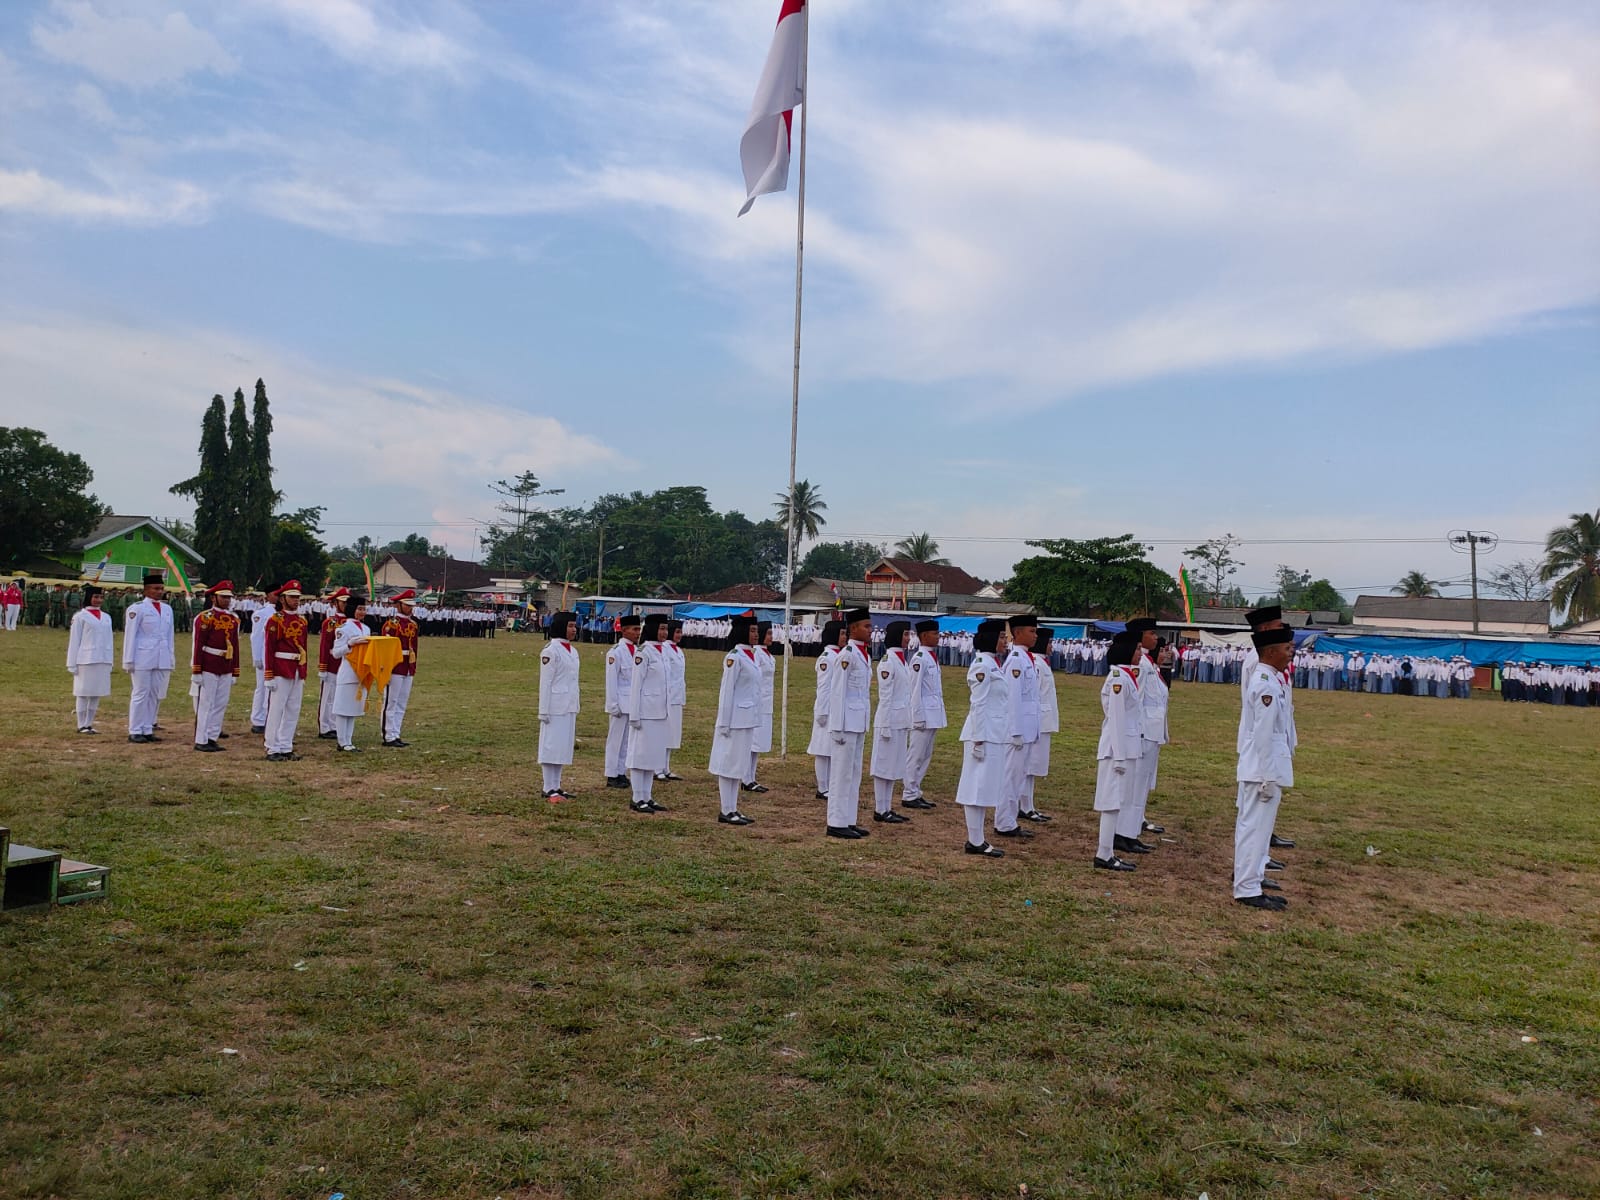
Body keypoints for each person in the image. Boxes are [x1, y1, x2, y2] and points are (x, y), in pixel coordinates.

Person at [1235, 628, 1295, 910]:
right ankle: (1246, 887)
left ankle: (1252, 882)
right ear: (1270, 651)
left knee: (1259, 830)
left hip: (1265, 768)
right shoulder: (1265, 684)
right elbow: (1262, 735)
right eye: (1286, 648)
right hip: (1262, 770)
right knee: (1253, 829)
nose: (1290, 652)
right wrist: (1267, 777)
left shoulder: (1270, 680)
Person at [955, 619, 1009, 857]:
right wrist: (977, 739)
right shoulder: (982, 665)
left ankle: (978, 839)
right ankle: (974, 840)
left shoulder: (992, 664)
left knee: (984, 787)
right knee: (975, 786)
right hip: (982, 733)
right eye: (1001, 637)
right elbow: (977, 703)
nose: (1005, 641)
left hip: (992, 732)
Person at [1092, 633, 1143, 872]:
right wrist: (1120, 755)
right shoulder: (1118, 679)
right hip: (1116, 749)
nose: (1141, 653)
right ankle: (1104, 853)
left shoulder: (1126, 676)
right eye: (1138, 648)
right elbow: (1116, 719)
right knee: (1111, 801)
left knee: (1117, 801)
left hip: (1125, 746)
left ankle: (1107, 852)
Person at [1116, 617, 1167, 853]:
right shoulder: (1141, 665)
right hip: (1144, 731)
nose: (1156, 638)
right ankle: (1124, 833)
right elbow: (1136, 702)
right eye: (1151, 633)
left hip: (1152, 731)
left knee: (1142, 786)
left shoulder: (1148, 662)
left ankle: (1132, 830)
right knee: (1135, 786)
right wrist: (1138, 732)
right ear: (1140, 636)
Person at [825, 608, 874, 839]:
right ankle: (835, 821)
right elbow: (837, 693)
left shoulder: (863, 655)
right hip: (845, 724)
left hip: (858, 721)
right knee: (841, 774)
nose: (870, 630)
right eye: (866, 626)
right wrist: (837, 727)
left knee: (854, 774)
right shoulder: (846, 656)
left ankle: (849, 819)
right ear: (853, 628)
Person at [708, 615, 761, 827]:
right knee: (728, 764)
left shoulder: (751, 656)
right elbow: (726, 692)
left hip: (747, 719)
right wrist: (723, 722)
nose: (756, 635)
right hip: (734, 719)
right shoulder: (735, 657)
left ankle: (733, 808)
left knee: (738, 765)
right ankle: (726, 809)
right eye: (753, 631)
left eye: (757, 631)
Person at [995, 614, 1041, 841]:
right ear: (1018, 632)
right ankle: (1004, 822)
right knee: (1011, 776)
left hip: (1028, 727)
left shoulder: (1026, 658)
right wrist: (1015, 731)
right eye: (1031, 631)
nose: (1035, 635)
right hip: (1018, 729)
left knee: (1019, 776)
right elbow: (1013, 698)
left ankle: (1009, 819)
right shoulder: (1015, 659)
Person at [624, 614, 673, 814]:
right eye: (661, 628)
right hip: (644, 711)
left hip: (659, 711)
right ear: (652, 629)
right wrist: (634, 714)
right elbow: (636, 685)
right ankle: (637, 797)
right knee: (640, 755)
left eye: (665, 629)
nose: (664, 633)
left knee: (653, 755)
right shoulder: (643, 652)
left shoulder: (663, 651)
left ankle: (648, 795)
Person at [868, 620, 914, 825]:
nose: (908, 638)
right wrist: (885, 724)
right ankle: (880, 808)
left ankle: (887, 807)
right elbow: (885, 696)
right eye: (905, 634)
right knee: (883, 765)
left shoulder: (902, 660)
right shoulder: (888, 661)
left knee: (894, 766)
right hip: (889, 720)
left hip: (900, 719)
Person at [122, 571, 175, 743]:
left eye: (161, 588)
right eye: (155, 588)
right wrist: (128, 660)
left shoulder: (167, 609)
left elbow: (169, 636)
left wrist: (171, 658)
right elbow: (130, 636)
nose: (159, 592)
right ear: (146, 590)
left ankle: (147, 728)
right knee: (140, 692)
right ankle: (135, 729)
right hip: (142, 656)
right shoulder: (137, 609)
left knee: (154, 694)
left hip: (161, 656)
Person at [263, 582, 311, 761]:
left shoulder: (302, 621)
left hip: (297, 668)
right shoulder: (275, 620)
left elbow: (304, 647)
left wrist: (303, 671)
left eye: (298, 597)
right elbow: (269, 648)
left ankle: (285, 745)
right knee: (276, 708)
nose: (296, 600)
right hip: (281, 667)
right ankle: (272, 746)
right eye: (292, 597)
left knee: (293, 709)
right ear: (282, 598)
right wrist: (269, 674)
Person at [190, 581, 240, 752]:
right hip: (209, 663)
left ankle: (212, 736)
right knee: (206, 703)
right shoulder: (205, 618)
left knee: (221, 702)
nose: (227, 600)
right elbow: (198, 645)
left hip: (225, 664)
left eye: (229, 597)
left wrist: (235, 670)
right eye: (223, 597)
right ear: (213, 597)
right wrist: (196, 669)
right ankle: (201, 739)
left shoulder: (233, 619)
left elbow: (235, 645)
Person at [537, 611, 581, 800]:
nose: (574, 629)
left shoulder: (572, 650)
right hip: (554, 704)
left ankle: (557, 785)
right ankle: (548, 787)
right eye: (570, 626)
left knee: (562, 746)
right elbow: (545, 682)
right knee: (551, 745)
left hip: (569, 703)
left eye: (574, 626)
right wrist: (543, 710)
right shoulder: (550, 650)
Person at [902, 619, 944, 811]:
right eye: (935, 634)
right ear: (924, 636)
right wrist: (916, 716)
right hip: (923, 714)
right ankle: (909, 792)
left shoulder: (931, 657)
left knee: (926, 754)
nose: (938, 636)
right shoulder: (919, 658)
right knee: (915, 754)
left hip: (933, 712)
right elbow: (914, 690)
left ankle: (916, 790)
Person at [1020, 624, 1057, 824]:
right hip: (1037, 719)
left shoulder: (1042, 662)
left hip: (1044, 718)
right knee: (1030, 766)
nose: (1051, 646)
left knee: (1034, 766)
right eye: (1049, 642)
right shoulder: (1036, 663)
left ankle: (1029, 805)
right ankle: (1024, 806)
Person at [806, 619, 845, 801]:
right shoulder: (827, 657)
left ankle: (830, 784)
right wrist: (821, 712)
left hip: (837, 708)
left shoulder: (839, 655)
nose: (845, 637)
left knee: (832, 749)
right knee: (822, 749)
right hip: (826, 709)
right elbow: (824, 687)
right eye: (842, 634)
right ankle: (822, 787)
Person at [67, 583, 114, 733]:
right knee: (83, 692)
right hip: (85, 659)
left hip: (102, 658)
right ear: (88, 598)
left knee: (96, 693)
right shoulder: (80, 616)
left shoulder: (107, 617)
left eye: (101, 597)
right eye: (95, 597)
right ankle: (81, 725)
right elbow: (75, 640)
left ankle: (89, 723)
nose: (98, 600)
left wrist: (110, 660)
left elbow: (109, 641)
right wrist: (72, 663)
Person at [328, 592, 371, 754]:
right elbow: (336, 652)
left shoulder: (366, 628)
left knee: (353, 709)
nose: (362, 612)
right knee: (342, 708)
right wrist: (350, 644)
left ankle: (349, 740)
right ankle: (342, 741)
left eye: (364, 609)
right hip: (348, 671)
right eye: (359, 609)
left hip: (362, 672)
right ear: (352, 609)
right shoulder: (343, 628)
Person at [603, 613, 641, 789]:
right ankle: (611, 774)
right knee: (615, 740)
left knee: (627, 741)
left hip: (632, 703)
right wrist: (612, 704)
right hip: (619, 702)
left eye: (639, 629)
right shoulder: (616, 652)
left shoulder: (638, 652)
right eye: (634, 629)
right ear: (624, 630)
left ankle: (621, 772)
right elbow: (611, 681)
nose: (637, 632)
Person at [380, 590, 421, 748]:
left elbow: (415, 648)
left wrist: (413, 667)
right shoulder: (392, 624)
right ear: (398, 605)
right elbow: (386, 648)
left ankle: (396, 732)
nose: (410, 608)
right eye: (407, 605)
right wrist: (386, 669)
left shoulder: (413, 624)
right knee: (391, 701)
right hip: (395, 666)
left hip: (408, 666)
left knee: (401, 702)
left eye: (411, 605)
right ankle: (388, 734)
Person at [744, 620, 776, 794]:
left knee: (759, 743)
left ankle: (752, 776)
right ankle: (745, 777)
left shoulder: (767, 655)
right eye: (769, 633)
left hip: (766, 703)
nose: (771, 637)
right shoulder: (756, 653)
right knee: (752, 743)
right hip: (756, 702)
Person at [316, 587, 348, 739]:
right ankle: (324, 726)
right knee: (328, 697)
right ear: (336, 603)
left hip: (346, 665)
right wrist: (323, 666)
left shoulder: (350, 622)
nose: (346, 605)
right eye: (343, 602)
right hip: (332, 664)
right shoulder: (330, 623)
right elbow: (325, 645)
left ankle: (335, 725)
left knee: (339, 697)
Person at [658, 620, 688, 782]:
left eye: (680, 632)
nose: (679, 635)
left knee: (672, 734)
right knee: (663, 733)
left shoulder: (678, 651)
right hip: (667, 696)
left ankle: (666, 767)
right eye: (676, 632)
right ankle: (657, 768)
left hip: (677, 696)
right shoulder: (664, 649)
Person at [248, 586, 278, 734]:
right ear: (268, 595)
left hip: (277, 656)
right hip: (264, 655)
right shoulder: (263, 613)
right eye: (275, 593)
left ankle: (269, 717)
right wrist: (257, 657)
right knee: (262, 687)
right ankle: (258, 719)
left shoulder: (280, 613)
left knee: (273, 688)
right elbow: (256, 637)